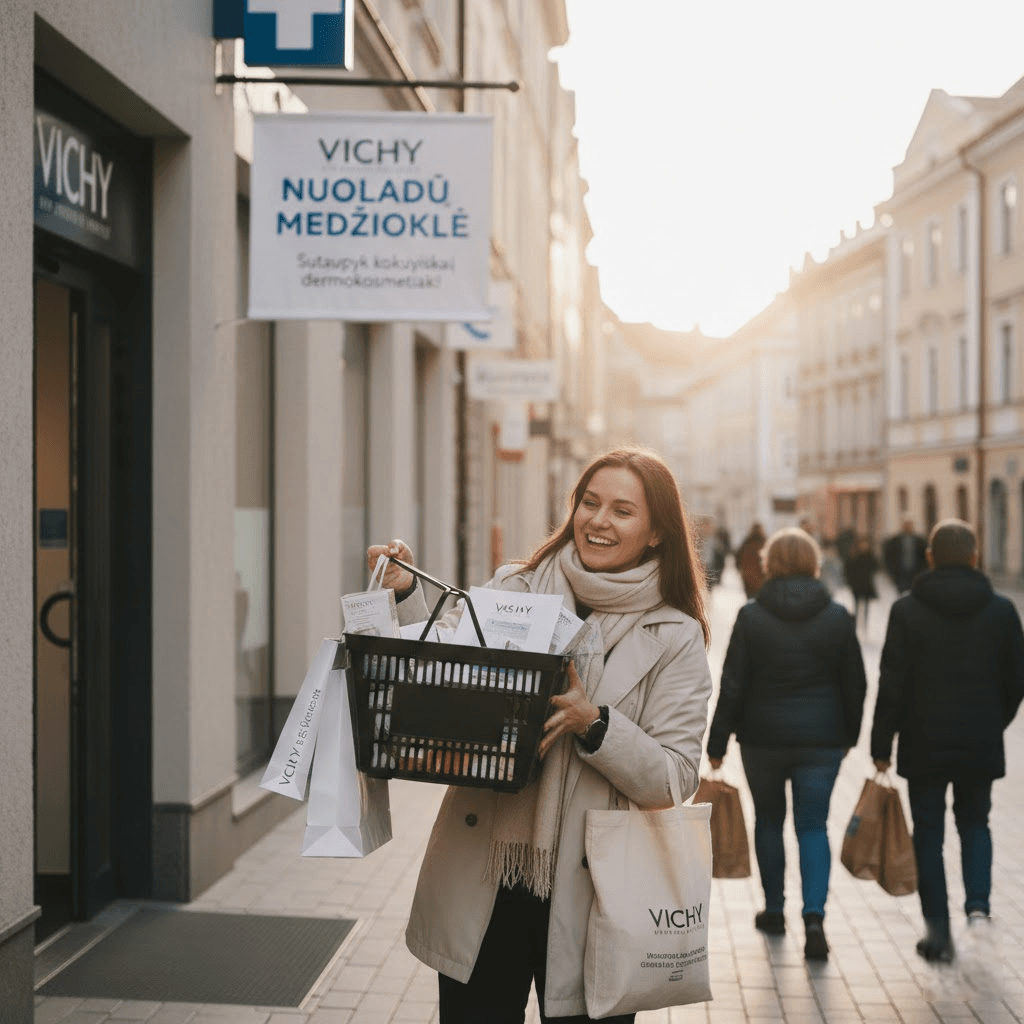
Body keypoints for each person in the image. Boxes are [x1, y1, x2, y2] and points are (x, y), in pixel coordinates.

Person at [367, 446, 714, 1023]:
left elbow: (674, 779)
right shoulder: (515, 587)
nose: (599, 520)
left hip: (593, 888)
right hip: (487, 871)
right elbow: (437, 668)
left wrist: (595, 723)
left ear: (657, 533)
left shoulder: (674, 635)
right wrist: (406, 593)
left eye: (623, 511)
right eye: (590, 502)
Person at [706, 528, 867, 961]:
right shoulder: (837, 616)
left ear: (769, 564)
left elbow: (733, 684)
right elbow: (856, 684)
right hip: (822, 741)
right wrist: (848, 735)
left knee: (769, 822)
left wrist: (717, 741)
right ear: (814, 563)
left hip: (762, 741)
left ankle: (774, 910)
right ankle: (814, 918)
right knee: (813, 827)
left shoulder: (752, 615)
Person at [871, 519, 1024, 964]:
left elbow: (892, 683)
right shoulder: (1001, 611)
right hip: (979, 737)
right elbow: (1016, 680)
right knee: (976, 821)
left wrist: (882, 743)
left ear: (930, 557)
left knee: (930, 835)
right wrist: (995, 718)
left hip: (924, 742)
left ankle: (937, 931)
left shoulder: (907, 610)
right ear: (975, 557)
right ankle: (978, 908)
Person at [843, 536, 879, 633]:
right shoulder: (853, 556)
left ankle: (864, 627)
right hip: (857, 585)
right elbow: (848, 569)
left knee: (866, 607)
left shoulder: (869, 556)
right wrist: (850, 582)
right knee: (856, 606)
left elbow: (876, 567)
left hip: (867, 585)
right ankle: (856, 626)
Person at [882, 519, 927, 594]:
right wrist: (891, 572)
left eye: (909, 525)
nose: (908, 527)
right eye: (906, 525)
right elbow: (889, 557)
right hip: (900, 573)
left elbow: (924, 556)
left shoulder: (920, 541)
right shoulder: (894, 541)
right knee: (901, 593)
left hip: (915, 572)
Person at [735, 522, 767, 598]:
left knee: (750, 598)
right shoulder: (765, 542)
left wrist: (740, 570)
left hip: (748, 576)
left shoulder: (746, 543)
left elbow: (738, 558)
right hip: (762, 577)